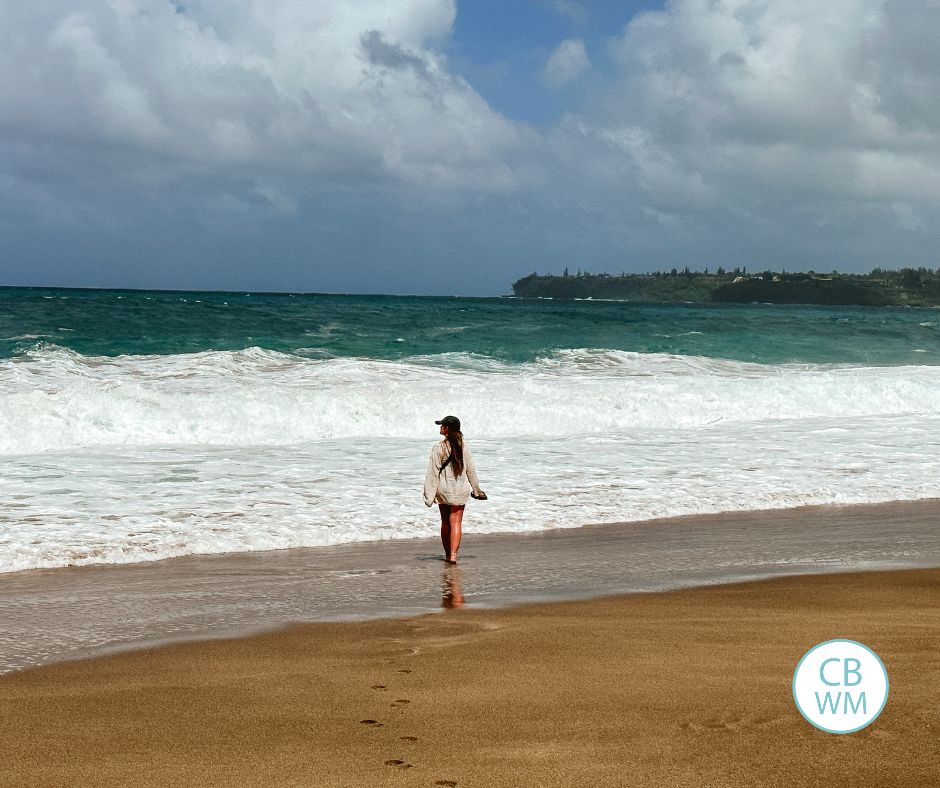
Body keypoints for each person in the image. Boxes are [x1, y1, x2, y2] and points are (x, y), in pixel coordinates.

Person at [423, 415, 486, 564]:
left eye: (442, 425)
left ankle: (447, 555)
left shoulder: (438, 448)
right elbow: (471, 470)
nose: (440, 428)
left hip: (444, 490)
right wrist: (477, 490)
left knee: (445, 523)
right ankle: (453, 556)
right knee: (456, 522)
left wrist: (429, 495)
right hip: (461, 490)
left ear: (447, 429)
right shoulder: (464, 447)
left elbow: (432, 473)